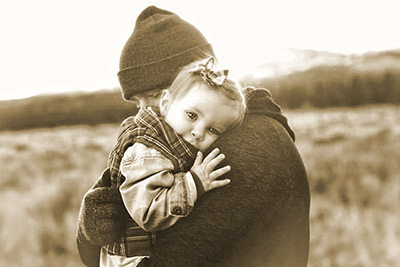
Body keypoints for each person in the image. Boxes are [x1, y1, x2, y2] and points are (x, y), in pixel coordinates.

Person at [77, 5, 310, 267]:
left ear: (195, 79)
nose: (144, 113)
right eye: (137, 103)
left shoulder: (246, 149)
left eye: (153, 96)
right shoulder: (179, 143)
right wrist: (90, 230)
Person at [101, 56, 246, 266]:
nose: (198, 132)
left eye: (212, 130)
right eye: (192, 115)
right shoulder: (147, 150)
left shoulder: (173, 141)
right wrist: (194, 183)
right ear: (166, 103)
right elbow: (148, 213)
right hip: (130, 260)